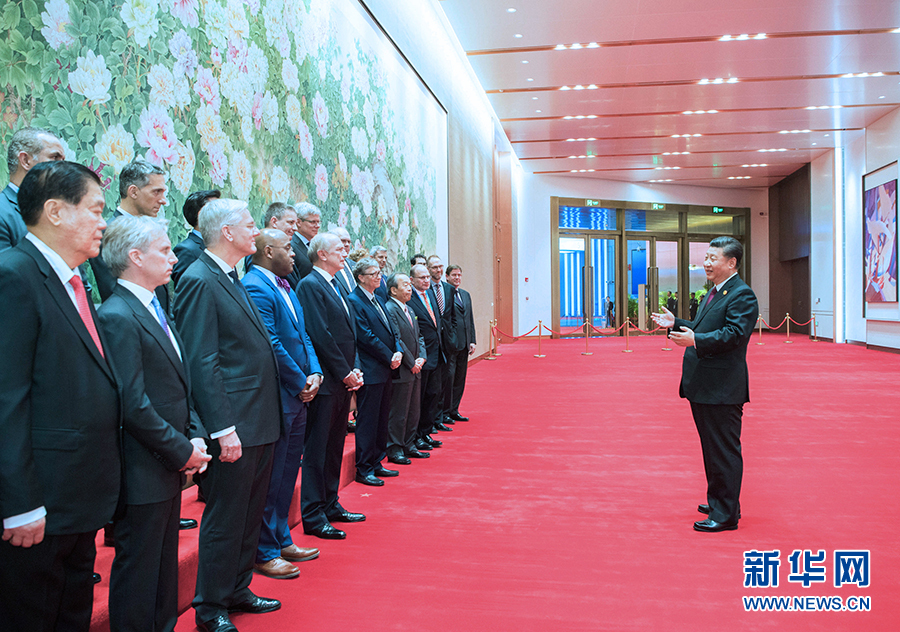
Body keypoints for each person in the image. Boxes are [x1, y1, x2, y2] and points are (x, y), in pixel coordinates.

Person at [0, 160, 120, 632]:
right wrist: (20, 503)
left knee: (71, 614)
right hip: (40, 503)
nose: (103, 222)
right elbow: (7, 398)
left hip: (78, 498)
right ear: (55, 211)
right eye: (95, 209)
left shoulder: (73, 280)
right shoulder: (14, 276)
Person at [95, 215, 211, 632]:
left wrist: (196, 434)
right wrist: (182, 450)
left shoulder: (154, 305)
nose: (173, 259)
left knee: (162, 571)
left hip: (166, 460)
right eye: (164, 250)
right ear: (136, 257)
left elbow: (179, 382)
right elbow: (133, 403)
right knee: (140, 573)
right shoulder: (117, 314)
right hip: (143, 465)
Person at [173, 198, 284, 632]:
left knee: (248, 513)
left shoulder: (230, 275)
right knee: (225, 518)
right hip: (234, 424)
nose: (256, 231)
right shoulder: (199, 278)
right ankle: (210, 606)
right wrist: (222, 428)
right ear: (227, 232)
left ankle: (238, 588)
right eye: (250, 224)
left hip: (258, 419)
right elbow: (202, 362)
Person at [651, 236, 758, 533]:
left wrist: (695, 340)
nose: (706, 263)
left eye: (713, 258)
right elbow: (705, 328)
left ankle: (725, 515)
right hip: (705, 385)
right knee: (712, 449)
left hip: (722, 388)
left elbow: (734, 335)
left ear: (731, 262)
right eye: (706, 257)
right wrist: (676, 323)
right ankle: (721, 501)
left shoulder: (742, 295)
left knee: (723, 450)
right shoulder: (715, 291)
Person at [243, 229, 323, 580]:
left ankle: (280, 538)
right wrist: (300, 380)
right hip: (279, 394)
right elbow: (271, 343)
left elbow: (302, 336)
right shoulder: (255, 286)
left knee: (288, 473)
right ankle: (264, 550)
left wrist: (315, 372)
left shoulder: (286, 284)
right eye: (288, 247)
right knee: (273, 478)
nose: (294, 254)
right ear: (267, 250)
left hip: (298, 393)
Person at [296, 232, 366, 539]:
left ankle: (330, 503)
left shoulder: (335, 283)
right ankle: (313, 515)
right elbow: (319, 334)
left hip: (342, 380)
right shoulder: (310, 284)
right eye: (338, 249)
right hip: (327, 382)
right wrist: (344, 371)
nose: (344, 253)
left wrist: (355, 368)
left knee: (335, 447)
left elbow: (349, 333)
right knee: (317, 450)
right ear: (322, 254)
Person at [347, 257, 403, 486]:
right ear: (361, 277)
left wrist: (398, 351)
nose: (379, 277)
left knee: (381, 419)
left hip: (386, 368)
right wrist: (389, 356)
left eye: (380, 273)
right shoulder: (354, 300)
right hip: (370, 369)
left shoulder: (378, 298)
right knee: (368, 421)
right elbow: (365, 336)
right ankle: (364, 468)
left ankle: (377, 461)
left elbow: (392, 329)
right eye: (374, 274)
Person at [90, 160, 170, 314]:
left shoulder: (154, 229)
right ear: (133, 192)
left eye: (163, 192)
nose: (163, 200)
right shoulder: (107, 233)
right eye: (156, 192)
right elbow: (114, 293)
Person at [383, 273, 428, 463]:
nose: (410, 288)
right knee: (399, 411)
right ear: (393, 290)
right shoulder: (390, 309)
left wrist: (422, 357)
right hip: (403, 369)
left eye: (410, 285)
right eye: (405, 285)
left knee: (413, 410)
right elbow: (397, 339)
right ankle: (395, 448)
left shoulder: (409, 308)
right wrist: (411, 363)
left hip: (415, 368)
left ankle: (409, 444)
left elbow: (419, 336)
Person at [0, 127, 65, 251]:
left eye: (63, 160)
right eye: (54, 158)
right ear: (25, 160)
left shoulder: (57, 209)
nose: (63, 167)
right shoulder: (3, 213)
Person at [407, 264, 446, 452]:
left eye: (427, 277)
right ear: (411, 280)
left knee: (432, 395)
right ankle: (415, 436)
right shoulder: (409, 298)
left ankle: (425, 432)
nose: (426, 281)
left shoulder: (430, 294)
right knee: (419, 400)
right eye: (422, 278)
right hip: (421, 356)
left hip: (436, 353)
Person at [444, 265, 476, 422]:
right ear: (447, 276)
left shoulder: (465, 294)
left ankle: (454, 410)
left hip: (464, 344)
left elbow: (470, 319)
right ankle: (445, 411)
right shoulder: (444, 294)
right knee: (449, 378)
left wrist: (472, 340)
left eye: (459, 275)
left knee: (460, 379)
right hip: (451, 344)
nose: (457, 278)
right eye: (454, 275)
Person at [426, 255, 454, 431]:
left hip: (447, 342)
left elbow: (451, 316)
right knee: (433, 385)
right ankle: (431, 420)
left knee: (445, 380)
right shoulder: (425, 289)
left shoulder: (449, 289)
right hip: (431, 343)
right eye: (435, 267)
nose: (438, 270)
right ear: (428, 269)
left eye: (440, 266)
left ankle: (441, 416)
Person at [172, 189, 220, 289]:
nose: (224, 213)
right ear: (201, 215)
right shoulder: (186, 250)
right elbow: (186, 291)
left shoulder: (220, 246)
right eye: (217, 209)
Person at [291, 202, 320, 280]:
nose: (317, 226)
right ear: (299, 222)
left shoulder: (316, 244)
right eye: (313, 222)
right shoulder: (291, 245)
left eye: (318, 222)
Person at [331, 227, 357, 294]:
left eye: (349, 242)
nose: (347, 244)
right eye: (343, 241)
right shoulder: (329, 265)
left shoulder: (354, 264)